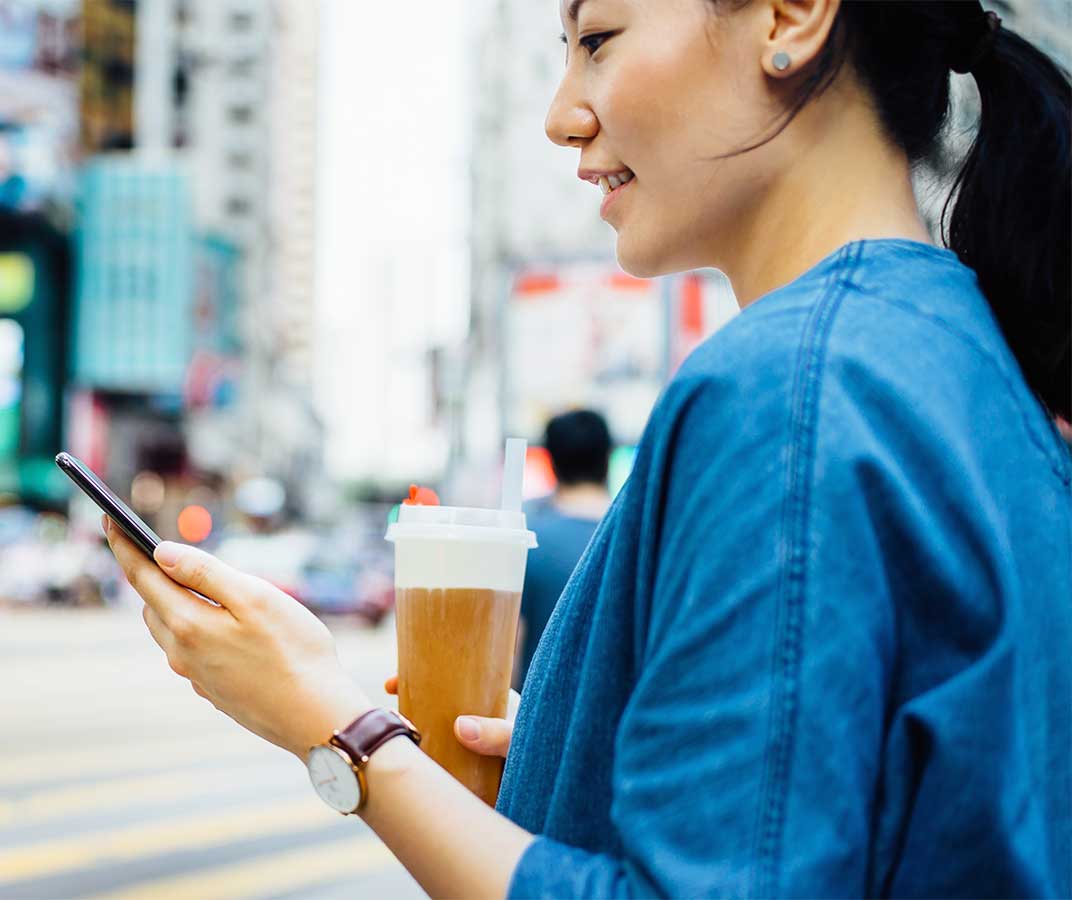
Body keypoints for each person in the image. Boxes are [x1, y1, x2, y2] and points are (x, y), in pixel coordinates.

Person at [101, 1, 1071, 896]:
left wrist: (332, 722)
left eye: (598, 38)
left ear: (788, 16)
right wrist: (585, 766)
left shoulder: (792, 388)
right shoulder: (959, 355)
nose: (562, 115)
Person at [513, 410, 613, 688]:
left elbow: (510, 649)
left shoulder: (528, 540)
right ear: (607, 458)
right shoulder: (640, 537)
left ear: (552, 462)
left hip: (537, 717)